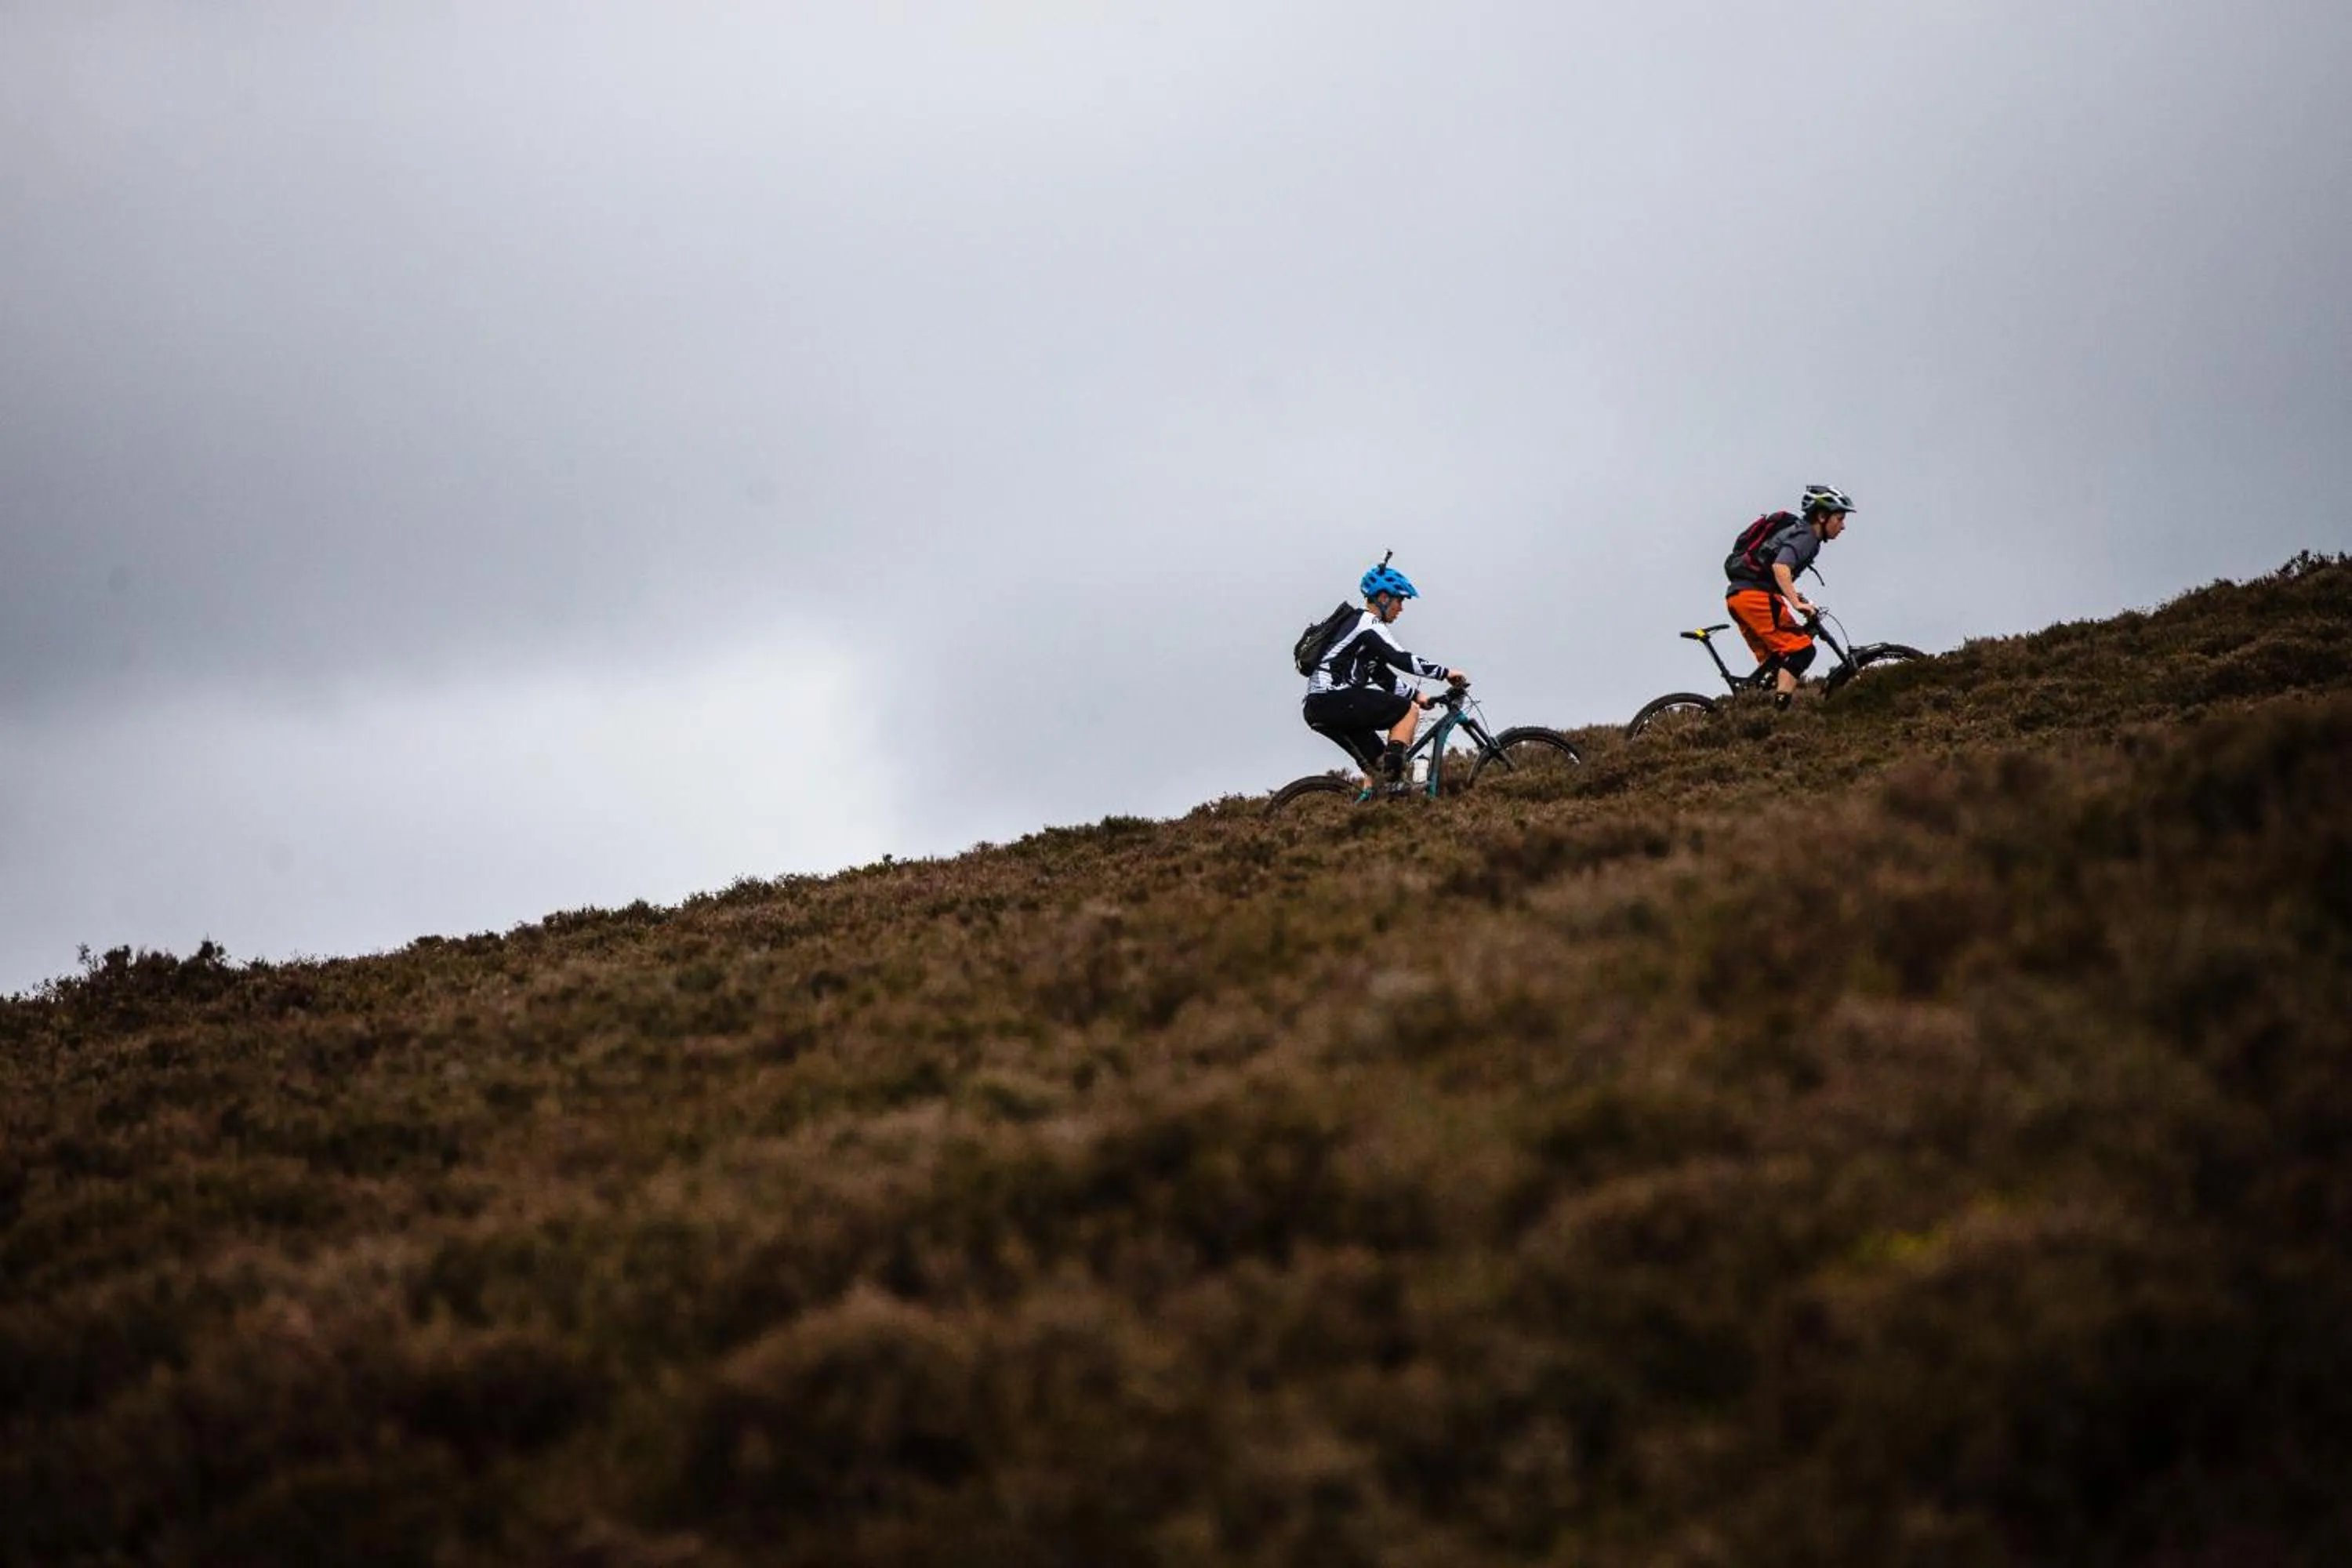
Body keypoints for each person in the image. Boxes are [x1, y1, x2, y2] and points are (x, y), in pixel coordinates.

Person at [1302, 561, 1469, 798]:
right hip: (1334, 698)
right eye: (1399, 600)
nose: (1401, 608)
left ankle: (1374, 806)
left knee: (1379, 764)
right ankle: (1394, 785)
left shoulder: (1357, 630)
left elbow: (1381, 674)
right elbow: (1399, 658)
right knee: (1407, 711)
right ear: (1383, 598)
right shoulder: (1367, 622)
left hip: (1322, 706)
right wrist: (1445, 673)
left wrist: (1418, 696)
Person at [1725, 484, 1855, 709]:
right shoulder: (1806, 535)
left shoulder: (1800, 533)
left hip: (1739, 597)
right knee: (1803, 651)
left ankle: (1750, 711)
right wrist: (1795, 603)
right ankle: (1778, 715)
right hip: (1756, 597)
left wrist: (1798, 598)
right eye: (1839, 519)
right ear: (1822, 516)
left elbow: (1776, 572)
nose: (1843, 526)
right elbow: (1781, 567)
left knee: (1772, 668)